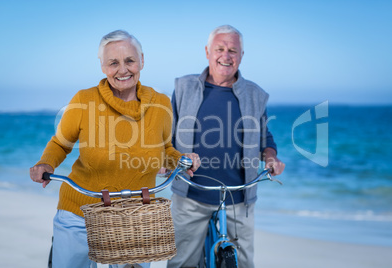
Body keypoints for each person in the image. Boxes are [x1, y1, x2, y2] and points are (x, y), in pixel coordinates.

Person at [29, 30, 200, 268]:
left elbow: (165, 150)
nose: (123, 70)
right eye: (113, 63)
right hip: (80, 210)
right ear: (102, 66)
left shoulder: (161, 103)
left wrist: (181, 161)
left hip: (134, 217)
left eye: (130, 60)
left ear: (142, 61)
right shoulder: (83, 100)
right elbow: (60, 143)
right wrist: (46, 163)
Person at [167, 25, 285, 267]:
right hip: (191, 194)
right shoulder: (183, 87)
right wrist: (164, 159)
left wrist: (271, 158)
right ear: (208, 51)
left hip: (239, 197)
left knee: (243, 263)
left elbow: (265, 138)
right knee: (181, 263)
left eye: (233, 50)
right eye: (220, 48)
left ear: (241, 55)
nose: (226, 55)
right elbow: (167, 134)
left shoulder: (255, 94)